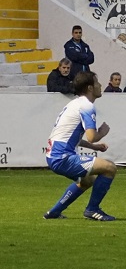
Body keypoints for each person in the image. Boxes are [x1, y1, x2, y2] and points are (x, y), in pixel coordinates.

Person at [43, 71, 118, 221]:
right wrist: (102, 133)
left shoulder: (74, 104)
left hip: (54, 155)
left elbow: (70, 137)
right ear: (90, 88)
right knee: (110, 167)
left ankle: (54, 213)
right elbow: (91, 136)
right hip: (62, 157)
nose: (100, 85)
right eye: (97, 83)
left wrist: (95, 147)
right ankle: (92, 209)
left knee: (87, 180)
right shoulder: (86, 106)